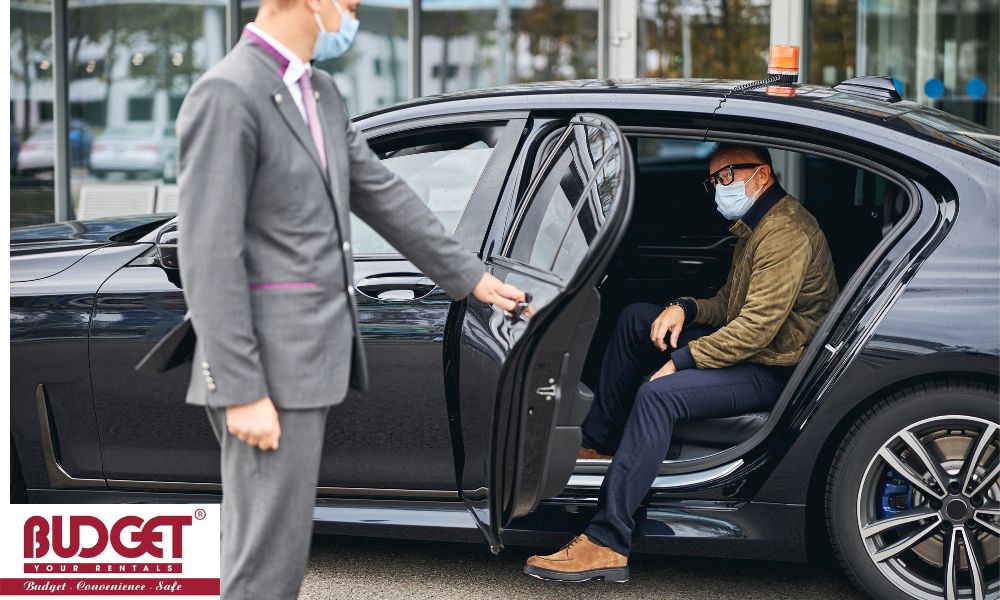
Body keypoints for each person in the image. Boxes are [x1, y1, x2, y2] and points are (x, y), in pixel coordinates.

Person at [175, 1, 525, 597]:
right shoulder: (228, 93)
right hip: (264, 365)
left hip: (305, 358)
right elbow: (209, 252)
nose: (353, 14)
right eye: (352, 4)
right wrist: (241, 388)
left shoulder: (319, 91)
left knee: (273, 547)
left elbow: (381, 191)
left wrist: (470, 276)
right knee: (266, 559)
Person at [524, 144, 839, 583]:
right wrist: (684, 308)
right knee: (638, 318)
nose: (718, 187)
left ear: (762, 175)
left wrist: (683, 360)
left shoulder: (786, 233)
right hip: (756, 349)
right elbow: (729, 305)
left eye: (726, 175)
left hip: (774, 368)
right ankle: (600, 442)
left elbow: (755, 329)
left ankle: (607, 541)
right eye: (713, 180)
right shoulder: (758, 225)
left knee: (658, 395)